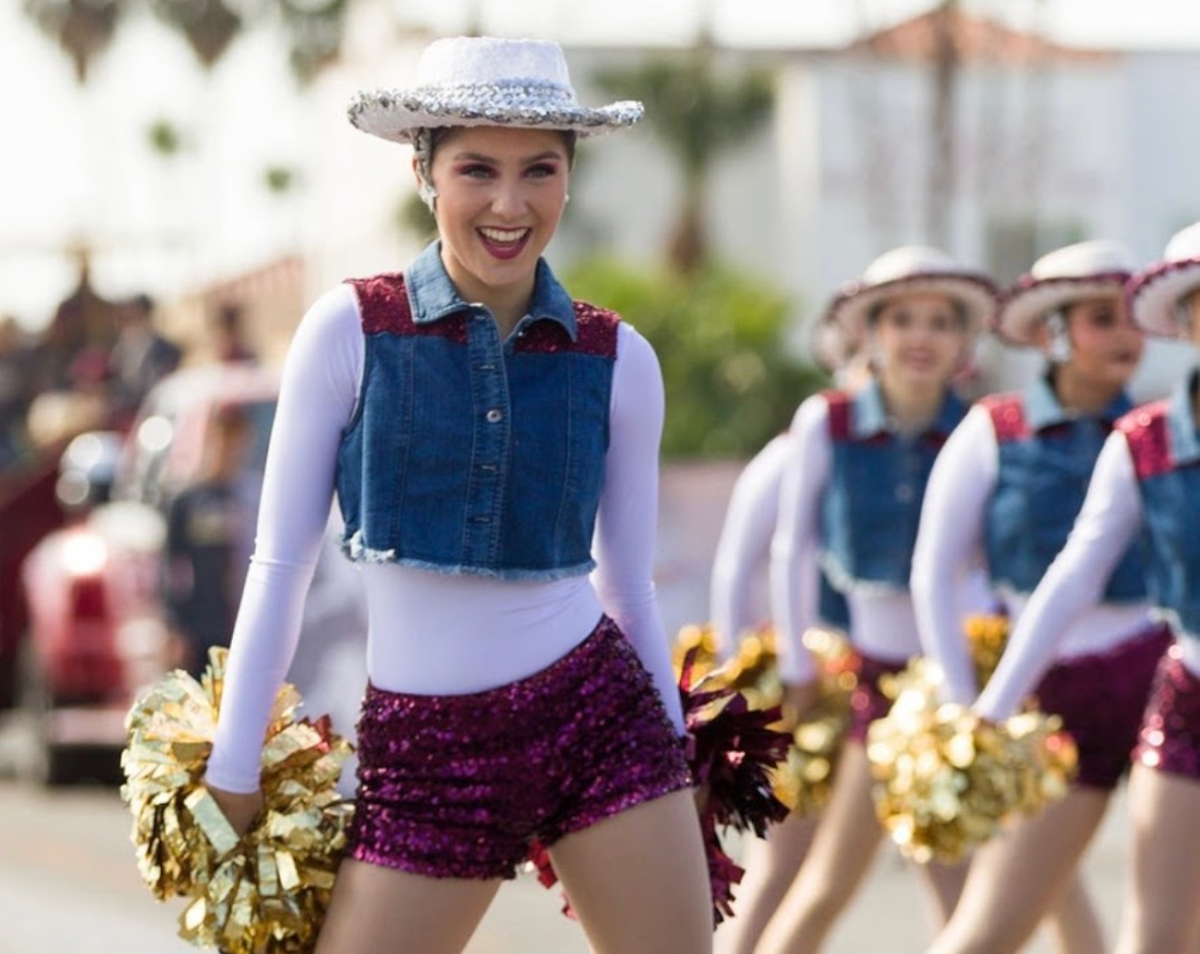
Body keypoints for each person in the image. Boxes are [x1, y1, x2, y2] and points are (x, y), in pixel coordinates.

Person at [201, 36, 712, 954]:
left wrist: (676, 749)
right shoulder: (349, 330)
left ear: (569, 178)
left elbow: (628, 585)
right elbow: (281, 565)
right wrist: (234, 764)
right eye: (478, 169)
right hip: (427, 754)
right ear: (424, 170)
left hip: (598, 720)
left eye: (540, 171)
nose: (510, 205)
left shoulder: (619, 357)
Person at [911, 239, 1157, 954]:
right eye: (1103, 319)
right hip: (1041, 701)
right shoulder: (995, 428)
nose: (1125, 337)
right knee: (994, 926)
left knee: (1162, 923)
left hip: (1155, 689)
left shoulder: (1157, 434)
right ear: (1054, 331)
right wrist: (963, 702)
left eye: (1133, 320)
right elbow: (935, 569)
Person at [753, 246, 998, 954]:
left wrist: (968, 685)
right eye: (902, 320)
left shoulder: (981, 428)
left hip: (949, 689)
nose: (920, 337)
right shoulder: (826, 421)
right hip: (867, 684)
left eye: (939, 323)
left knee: (959, 886)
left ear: (964, 342)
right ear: (871, 333)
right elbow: (791, 546)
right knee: (827, 882)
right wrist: (797, 666)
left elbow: (985, 566)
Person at [963, 222, 1200, 954]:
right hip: (1187, 702)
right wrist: (991, 708)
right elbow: (1070, 577)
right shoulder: (1145, 440)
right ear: (1187, 322)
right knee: (1154, 937)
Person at [709, 319, 859, 954]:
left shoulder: (888, 450)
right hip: (804, 686)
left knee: (827, 870)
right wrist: (737, 679)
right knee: (784, 860)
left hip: (867, 681)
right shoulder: (793, 450)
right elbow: (736, 568)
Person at [161, 403, 257, 677]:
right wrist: (174, 625)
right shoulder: (190, 501)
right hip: (201, 627)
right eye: (223, 437)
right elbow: (170, 568)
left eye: (235, 439)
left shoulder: (253, 500)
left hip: (243, 623)